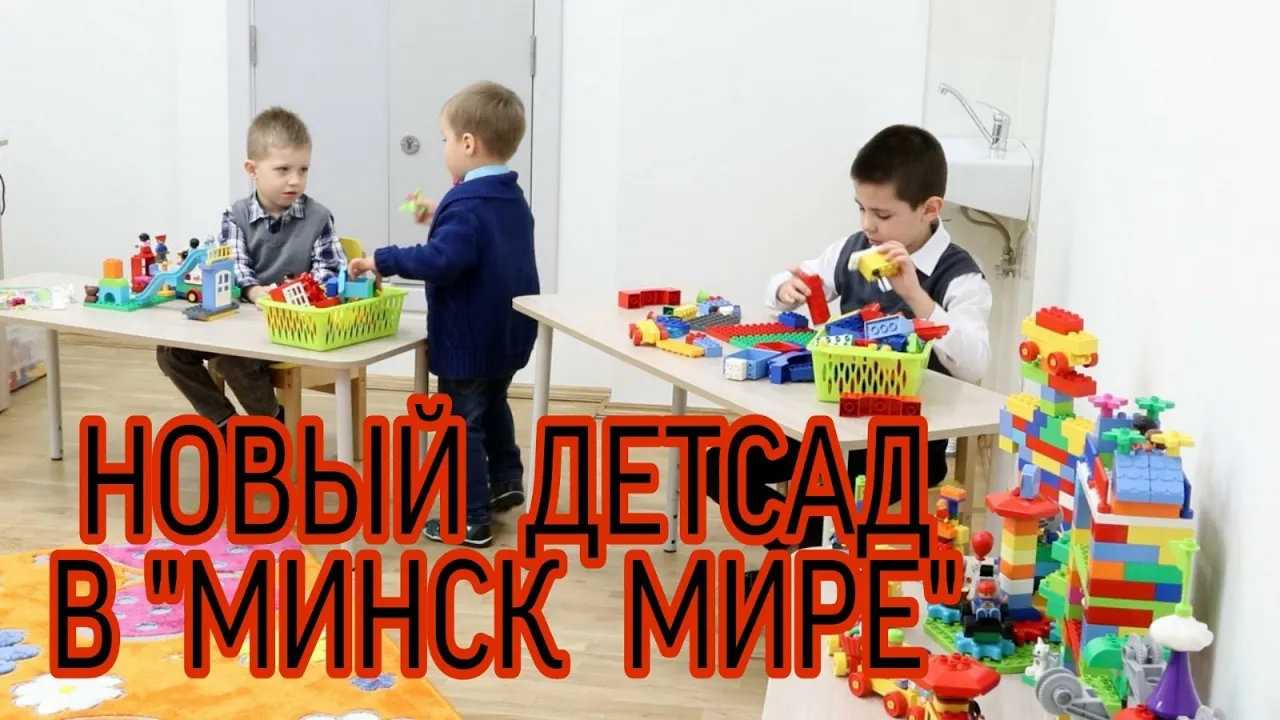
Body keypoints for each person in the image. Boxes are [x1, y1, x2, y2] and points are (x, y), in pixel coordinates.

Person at [706, 124, 993, 572]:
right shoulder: (853, 250)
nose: (867, 224)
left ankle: (812, 562)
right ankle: (808, 553)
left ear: (929, 209)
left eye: (882, 214)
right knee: (720, 467)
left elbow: (974, 363)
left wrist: (916, 295)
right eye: (861, 208)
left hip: (907, 445)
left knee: (834, 495)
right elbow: (792, 277)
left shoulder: (960, 276)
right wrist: (784, 289)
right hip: (834, 422)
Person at [349, 81, 539, 549]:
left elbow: (441, 260)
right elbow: (479, 237)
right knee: (492, 402)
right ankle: (505, 478)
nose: (444, 148)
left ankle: (469, 517)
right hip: (509, 334)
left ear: (468, 143)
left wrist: (382, 260)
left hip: (470, 339)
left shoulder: (467, 207)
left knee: (459, 423)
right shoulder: (507, 196)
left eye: (444, 138)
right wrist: (440, 212)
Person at [156, 107, 347, 433]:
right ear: (252, 170)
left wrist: (292, 294)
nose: (295, 180)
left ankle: (271, 423)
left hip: (291, 329)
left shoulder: (319, 218)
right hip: (236, 325)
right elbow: (234, 264)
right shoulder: (236, 215)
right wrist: (256, 292)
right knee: (170, 353)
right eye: (283, 169)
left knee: (233, 359)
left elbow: (329, 272)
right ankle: (224, 423)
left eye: (303, 169)